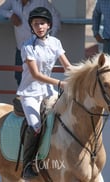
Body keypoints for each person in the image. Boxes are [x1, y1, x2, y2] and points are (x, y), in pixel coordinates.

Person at [16, 7, 72, 179]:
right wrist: (60, 83)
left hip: (49, 92)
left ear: (49, 25)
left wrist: (80, 78)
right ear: (31, 27)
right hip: (30, 93)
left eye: (42, 23)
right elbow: (36, 75)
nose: (39, 26)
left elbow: (68, 67)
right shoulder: (27, 46)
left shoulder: (55, 43)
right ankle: (27, 165)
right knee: (36, 127)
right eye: (35, 24)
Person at [0, 0, 61, 86]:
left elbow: (55, 17)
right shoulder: (13, 1)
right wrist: (11, 15)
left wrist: (49, 37)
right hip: (21, 47)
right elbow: (0, 10)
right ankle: (22, 98)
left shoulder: (41, 2)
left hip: (38, 48)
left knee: (39, 74)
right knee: (19, 75)